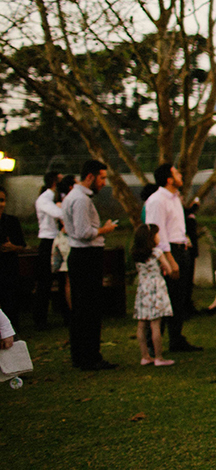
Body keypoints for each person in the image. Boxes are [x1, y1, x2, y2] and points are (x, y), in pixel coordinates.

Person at [61, 159, 119, 371]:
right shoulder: (81, 200)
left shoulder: (72, 197)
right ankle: (90, 356)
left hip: (80, 256)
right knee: (89, 309)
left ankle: (81, 355)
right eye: (102, 178)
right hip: (86, 256)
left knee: (82, 308)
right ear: (90, 176)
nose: (104, 182)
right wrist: (105, 229)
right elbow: (84, 232)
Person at [144, 163, 201, 352]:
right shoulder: (157, 200)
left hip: (181, 249)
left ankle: (176, 338)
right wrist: (169, 260)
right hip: (169, 253)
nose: (180, 175)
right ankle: (153, 343)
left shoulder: (175, 199)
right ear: (169, 179)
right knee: (163, 297)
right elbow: (156, 232)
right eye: (177, 172)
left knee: (179, 297)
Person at [132, 223, 175, 367]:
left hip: (143, 288)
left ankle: (145, 356)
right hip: (156, 288)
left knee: (142, 324)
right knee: (155, 324)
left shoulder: (136, 254)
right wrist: (164, 268)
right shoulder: (157, 253)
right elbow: (169, 270)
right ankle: (159, 357)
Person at [33, 171, 64, 329]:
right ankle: (40, 319)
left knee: (62, 279)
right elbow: (58, 213)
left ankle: (64, 314)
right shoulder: (44, 199)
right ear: (54, 182)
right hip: (48, 240)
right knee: (45, 281)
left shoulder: (58, 196)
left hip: (58, 239)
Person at [0, 187, 29, 331]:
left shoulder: (11, 221)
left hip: (8, 266)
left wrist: (13, 247)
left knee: (10, 300)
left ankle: (12, 330)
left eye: (2, 200)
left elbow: (22, 245)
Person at [51, 175, 75, 316]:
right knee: (69, 278)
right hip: (67, 239)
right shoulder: (64, 203)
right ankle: (72, 311)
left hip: (67, 238)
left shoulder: (64, 202)